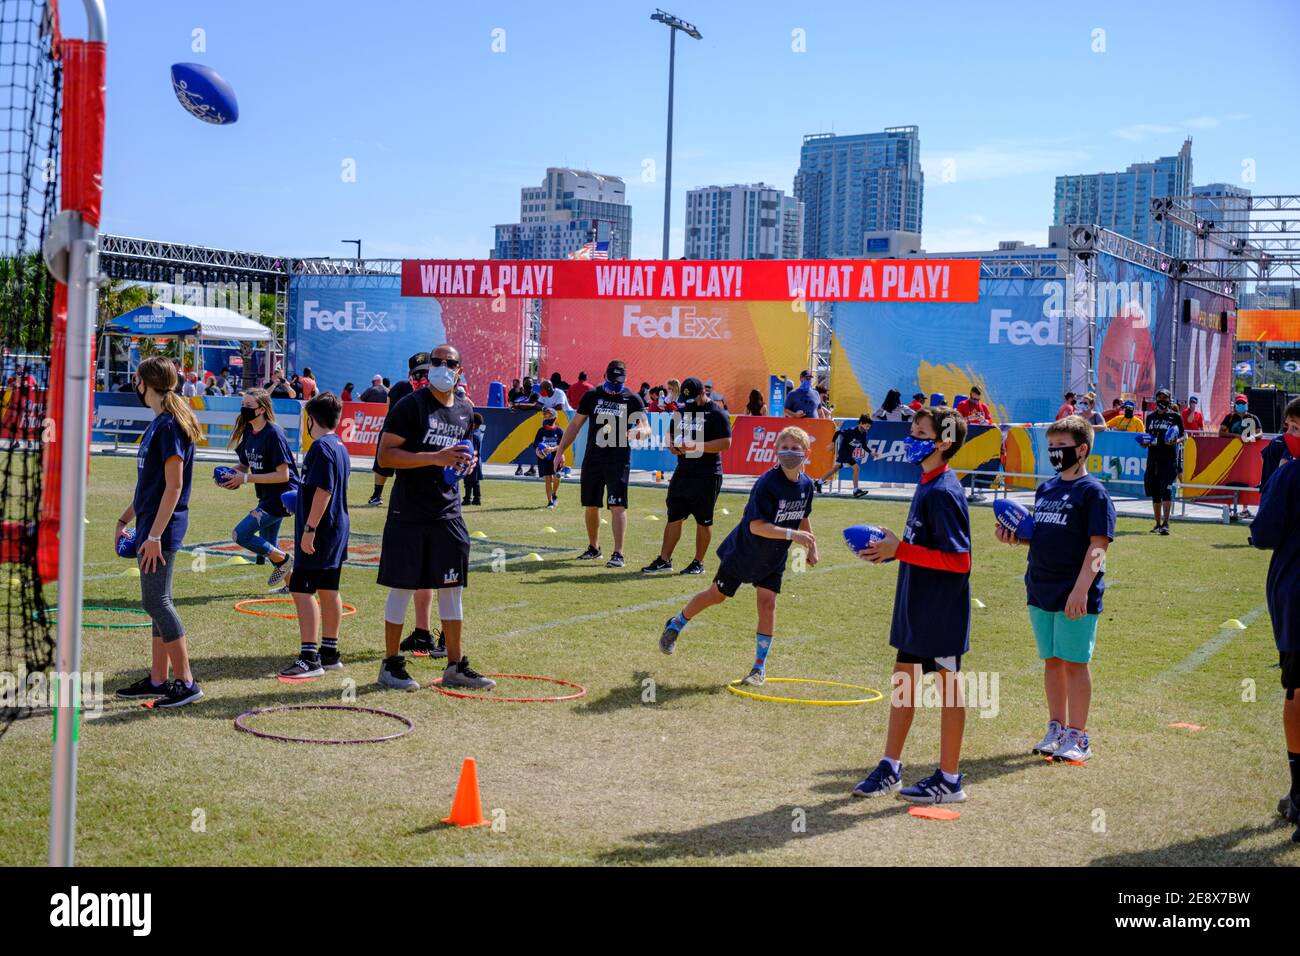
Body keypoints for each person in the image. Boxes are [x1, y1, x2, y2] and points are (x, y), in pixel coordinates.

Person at [851, 405, 972, 804]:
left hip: (941, 610)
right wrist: (893, 549)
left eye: (920, 432)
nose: (911, 439)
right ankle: (891, 766)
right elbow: (923, 548)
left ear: (944, 441)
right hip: (916, 604)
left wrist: (901, 549)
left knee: (949, 689)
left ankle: (950, 779)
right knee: (904, 680)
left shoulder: (944, 491)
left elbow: (960, 561)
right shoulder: (928, 481)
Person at [994, 415, 1115, 763]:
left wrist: (1080, 591)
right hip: (1040, 586)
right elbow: (1042, 535)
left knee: (1075, 663)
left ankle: (1079, 735)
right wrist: (1014, 538)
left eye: (1061, 447)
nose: (1055, 454)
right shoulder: (1046, 488)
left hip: (1073, 592)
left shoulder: (1093, 492)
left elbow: (1098, 546)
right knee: (1051, 661)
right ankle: (1057, 728)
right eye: (1051, 448)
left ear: (1082, 449)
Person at [375, 343, 494, 691]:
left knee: (452, 586)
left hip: (447, 510)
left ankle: (455, 665)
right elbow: (386, 456)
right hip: (409, 510)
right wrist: (434, 457)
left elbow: (463, 452)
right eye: (436, 362)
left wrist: (465, 463)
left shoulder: (464, 409)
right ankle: (391, 663)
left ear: (459, 369)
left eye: (450, 362)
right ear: (428, 368)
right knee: (402, 587)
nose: (442, 367)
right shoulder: (409, 406)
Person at [658, 426, 816, 686]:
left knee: (768, 605)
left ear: (806, 453)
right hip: (744, 552)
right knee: (716, 596)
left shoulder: (806, 485)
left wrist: (812, 546)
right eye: (784, 447)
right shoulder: (767, 483)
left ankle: (758, 668)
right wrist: (792, 536)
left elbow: (803, 515)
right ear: (776, 451)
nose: (789, 452)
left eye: (795, 448)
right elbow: (756, 526)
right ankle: (676, 623)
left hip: (773, 557)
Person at [112, 356, 204, 708]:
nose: (135, 385)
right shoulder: (158, 423)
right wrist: (125, 519)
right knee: (154, 603)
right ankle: (157, 679)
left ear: (146, 383)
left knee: (156, 601)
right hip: (150, 523)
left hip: (161, 529)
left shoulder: (169, 426)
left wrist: (153, 537)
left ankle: (186, 682)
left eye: (137, 379)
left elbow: (174, 486)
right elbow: (149, 487)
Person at [1245, 395, 1300, 844]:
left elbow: (1263, 534)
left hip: (1297, 595)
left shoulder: (1291, 473)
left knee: (1298, 688)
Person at [278, 392, 351, 680]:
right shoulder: (339, 446)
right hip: (336, 526)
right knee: (329, 587)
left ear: (310, 420)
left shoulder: (320, 448)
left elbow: (324, 490)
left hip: (321, 528)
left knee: (301, 588)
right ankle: (330, 652)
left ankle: (310, 657)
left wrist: (309, 529)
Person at [553, 359, 649, 568]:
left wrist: (637, 431)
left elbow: (646, 428)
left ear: (626, 379)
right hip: (593, 459)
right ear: (605, 376)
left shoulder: (632, 399)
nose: (615, 386)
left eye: (619, 382)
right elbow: (574, 426)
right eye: (612, 381)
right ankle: (593, 547)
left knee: (617, 504)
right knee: (590, 505)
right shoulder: (592, 396)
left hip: (618, 460)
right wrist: (560, 451)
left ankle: (618, 553)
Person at [642, 377, 733, 576]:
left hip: (707, 474)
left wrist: (697, 446)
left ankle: (698, 562)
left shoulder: (717, 413)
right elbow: (669, 434)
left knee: (703, 519)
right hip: (683, 471)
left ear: (703, 393)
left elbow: (726, 443)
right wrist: (672, 445)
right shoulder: (682, 411)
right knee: (674, 515)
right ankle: (664, 559)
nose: (690, 404)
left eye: (693, 399)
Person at [221, 388, 298, 589]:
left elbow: (284, 475)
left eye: (248, 406)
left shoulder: (274, 433)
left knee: (240, 534)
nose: (244, 409)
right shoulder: (249, 430)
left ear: (262, 409)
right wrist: (229, 474)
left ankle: (284, 559)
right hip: (266, 496)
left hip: (282, 498)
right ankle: (295, 587)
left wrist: (245, 478)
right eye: (242, 405)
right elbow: (245, 465)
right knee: (269, 543)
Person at [368, 352, 429, 507]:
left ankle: (380, 495)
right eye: (417, 374)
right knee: (383, 463)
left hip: (411, 431)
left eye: (425, 373)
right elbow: (389, 406)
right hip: (395, 428)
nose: (421, 378)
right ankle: (377, 494)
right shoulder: (402, 387)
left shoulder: (404, 388)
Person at [1144, 386, 1184, 535]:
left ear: (1169, 400)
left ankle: (1166, 523)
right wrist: (1144, 442)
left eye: (1165, 398)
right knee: (1155, 492)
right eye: (1160, 398)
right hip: (1153, 459)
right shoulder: (1150, 417)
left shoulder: (1175, 417)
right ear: (1156, 400)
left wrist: (1175, 441)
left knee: (1166, 490)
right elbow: (1148, 436)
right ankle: (1157, 523)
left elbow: (1183, 435)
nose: (1162, 401)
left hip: (1168, 460)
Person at [819, 413, 873, 497]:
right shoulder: (850, 431)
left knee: (835, 469)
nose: (868, 428)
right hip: (844, 453)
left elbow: (864, 445)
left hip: (848, 454)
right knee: (856, 469)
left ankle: (818, 482)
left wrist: (871, 452)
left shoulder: (863, 433)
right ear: (861, 423)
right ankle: (856, 491)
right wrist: (833, 443)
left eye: (869, 427)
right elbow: (837, 432)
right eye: (867, 426)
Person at [534, 407, 564, 508]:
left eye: (549, 415)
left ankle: (554, 494)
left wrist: (552, 449)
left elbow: (562, 445)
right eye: (545, 415)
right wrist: (538, 453)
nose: (547, 417)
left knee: (557, 476)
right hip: (544, 458)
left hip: (556, 457)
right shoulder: (541, 431)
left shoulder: (559, 431)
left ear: (555, 418)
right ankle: (550, 502)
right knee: (547, 478)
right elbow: (536, 445)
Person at [463, 412, 484, 507]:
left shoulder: (473, 435)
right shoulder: (478, 433)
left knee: (468, 481)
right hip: (478, 461)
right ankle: (477, 498)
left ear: (474, 424)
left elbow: (473, 450)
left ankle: (467, 499)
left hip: (472, 460)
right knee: (475, 482)